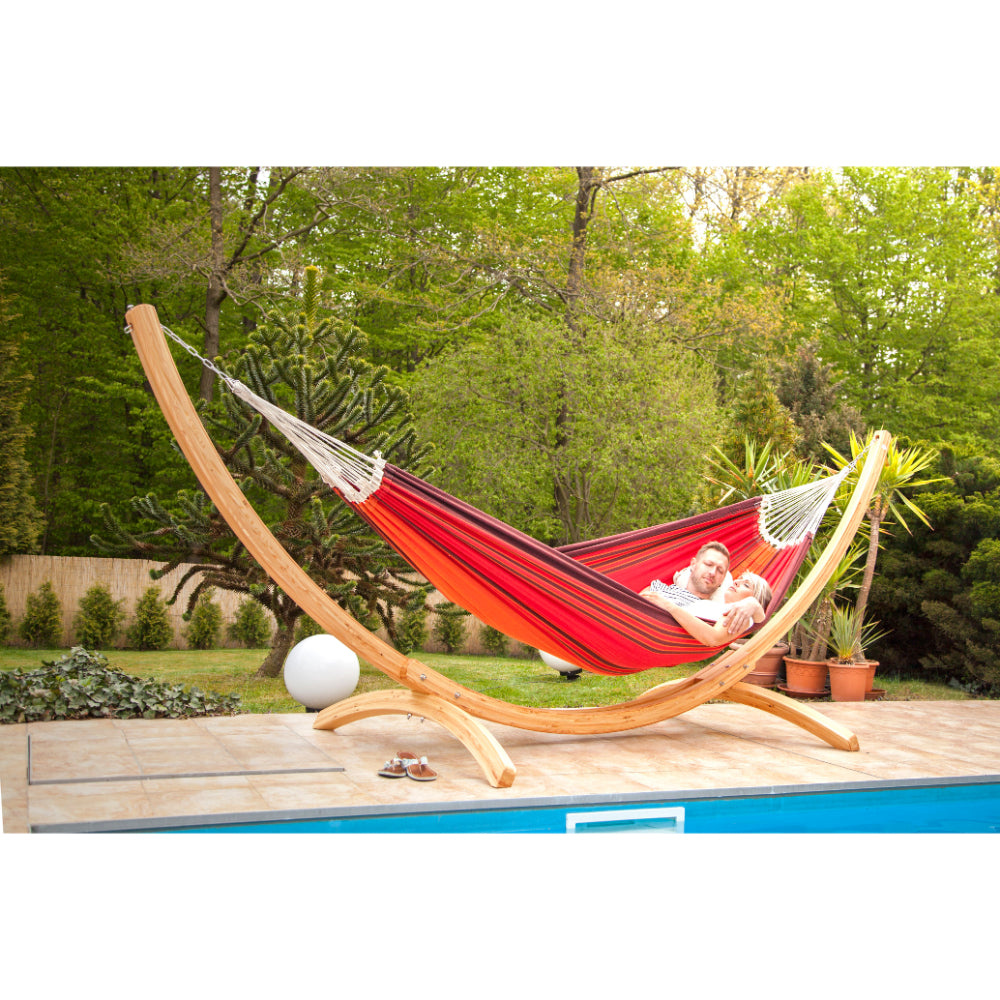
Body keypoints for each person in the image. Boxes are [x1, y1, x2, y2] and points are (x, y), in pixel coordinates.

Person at [640, 541, 765, 635]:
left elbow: (714, 637)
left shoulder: (710, 611)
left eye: (720, 570)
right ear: (693, 565)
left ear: (722, 580)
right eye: (708, 564)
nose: (712, 572)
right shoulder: (657, 586)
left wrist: (754, 604)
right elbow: (634, 604)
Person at [642, 569, 773, 646]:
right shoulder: (722, 606)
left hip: (661, 623)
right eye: (739, 579)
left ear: (756, 597)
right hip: (654, 611)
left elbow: (713, 638)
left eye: (746, 585)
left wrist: (668, 606)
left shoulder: (741, 613)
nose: (737, 582)